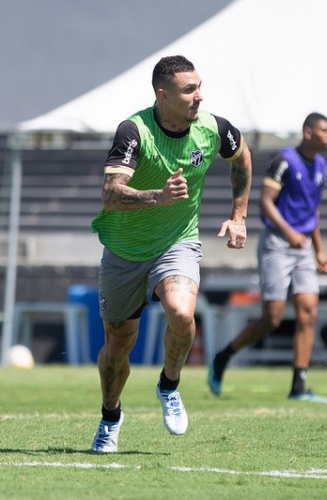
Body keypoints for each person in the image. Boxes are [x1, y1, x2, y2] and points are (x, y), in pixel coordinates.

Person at [89, 55, 253, 453]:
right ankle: (111, 416)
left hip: (176, 242)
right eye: (189, 90)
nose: (200, 96)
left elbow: (243, 158)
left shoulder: (214, 129)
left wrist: (238, 216)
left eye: (199, 86)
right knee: (117, 345)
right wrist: (157, 197)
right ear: (163, 96)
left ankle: (170, 384)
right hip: (124, 251)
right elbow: (110, 195)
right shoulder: (134, 131)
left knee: (181, 312)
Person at [208, 112, 327, 403]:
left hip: (302, 247)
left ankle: (299, 385)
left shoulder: (322, 166)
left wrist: (320, 249)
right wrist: (289, 232)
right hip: (277, 243)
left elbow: (312, 210)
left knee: (309, 312)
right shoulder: (283, 161)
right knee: (272, 319)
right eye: (324, 130)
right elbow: (265, 203)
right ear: (308, 132)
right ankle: (223, 357)